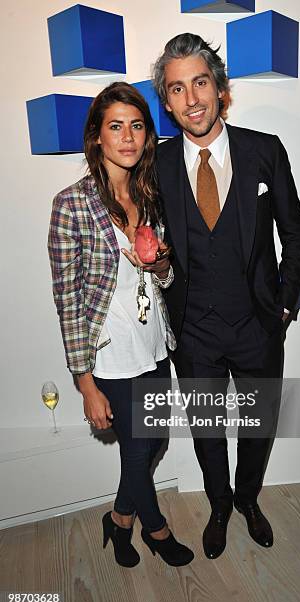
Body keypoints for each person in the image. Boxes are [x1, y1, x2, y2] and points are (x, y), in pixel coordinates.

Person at [152, 33, 300, 559]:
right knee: (206, 430)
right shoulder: (156, 163)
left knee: (257, 423)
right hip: (193, 332)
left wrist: (284, 307)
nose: (191, 99)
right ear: (167, 100)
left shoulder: (263, 150)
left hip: (258, 326)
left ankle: (248, 500)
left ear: (221, 90)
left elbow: (296, 234)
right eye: (177, 89)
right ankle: (219, 505)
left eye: (200, 82)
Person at [48, 82, 194, 568]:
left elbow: (166, 275)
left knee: (153, 440)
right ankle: (156, 528)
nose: (128, 137)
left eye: (137, 126)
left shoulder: (150, 195)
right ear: (97, 136)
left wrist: (159, 266)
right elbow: (67, 301)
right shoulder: (71, 205)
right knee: (138, 449)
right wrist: (85, 382)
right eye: (116, 126)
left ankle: (119, 517)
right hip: (110, 352)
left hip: (153, 343)